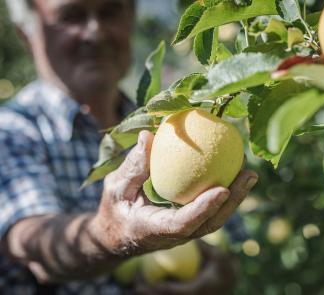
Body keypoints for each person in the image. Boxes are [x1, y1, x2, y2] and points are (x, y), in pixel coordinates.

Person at [0, 0, 258, 294]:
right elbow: (36, 247)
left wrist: (217, 277)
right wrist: (110, 235)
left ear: (131, 19)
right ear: (26, 34)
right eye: (71, 16)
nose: (95, 33)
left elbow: (226, 253)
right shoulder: (10, 132)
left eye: (110, 11)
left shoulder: (173, 127)